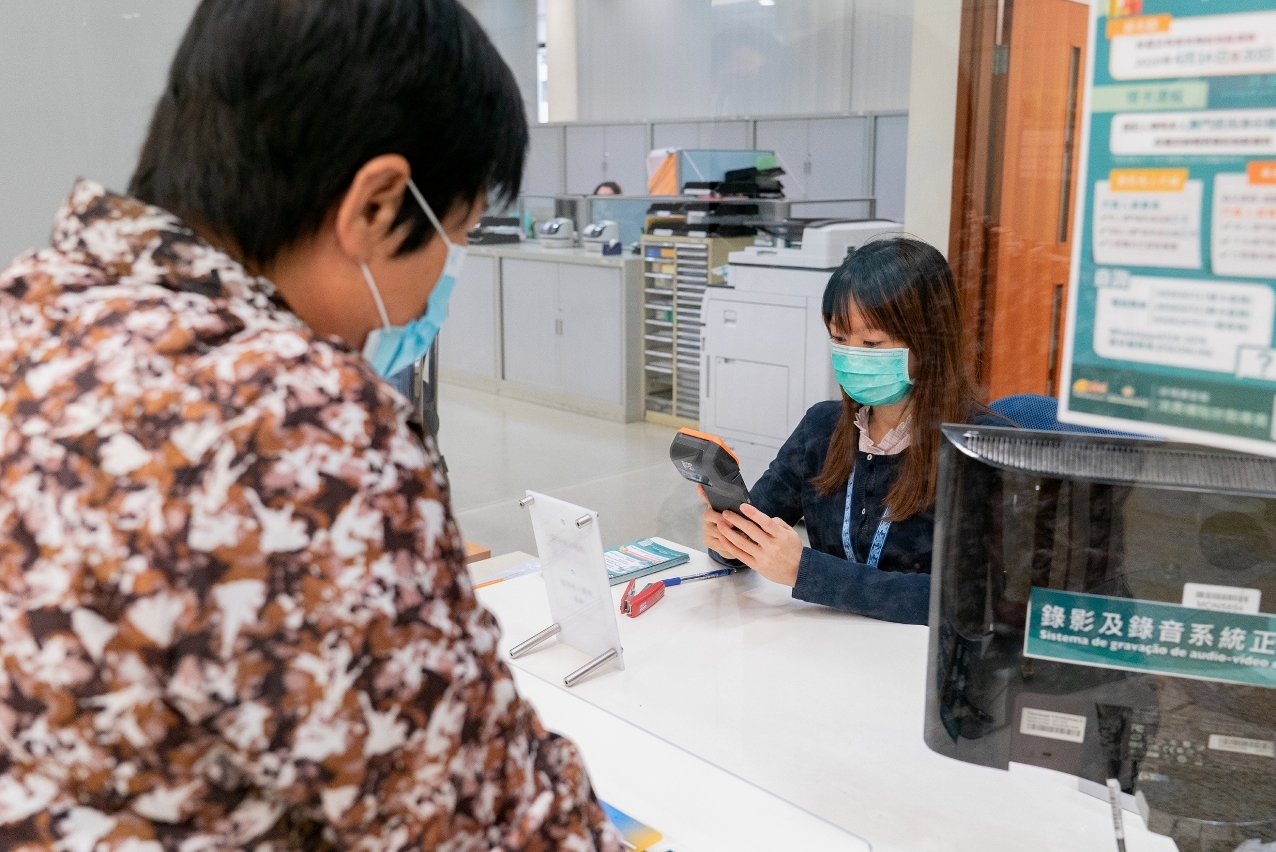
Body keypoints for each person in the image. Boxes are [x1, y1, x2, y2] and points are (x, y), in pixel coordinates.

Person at [0, 2, 620, 850]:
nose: (442, 284)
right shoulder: (298, 421)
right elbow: (486, 820)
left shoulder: (28, 312)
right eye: (459, 235)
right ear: (378, 205)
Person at [701, 237, 1014, 625]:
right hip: (826, 644)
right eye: (839, 338)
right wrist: (729, 540)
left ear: (929, 342)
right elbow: (757, 525)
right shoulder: (822, 427)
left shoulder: (983, 449)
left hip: (915, 656)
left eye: (872, 342)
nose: (852, 355)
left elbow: (975, 602)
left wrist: (806, 572)